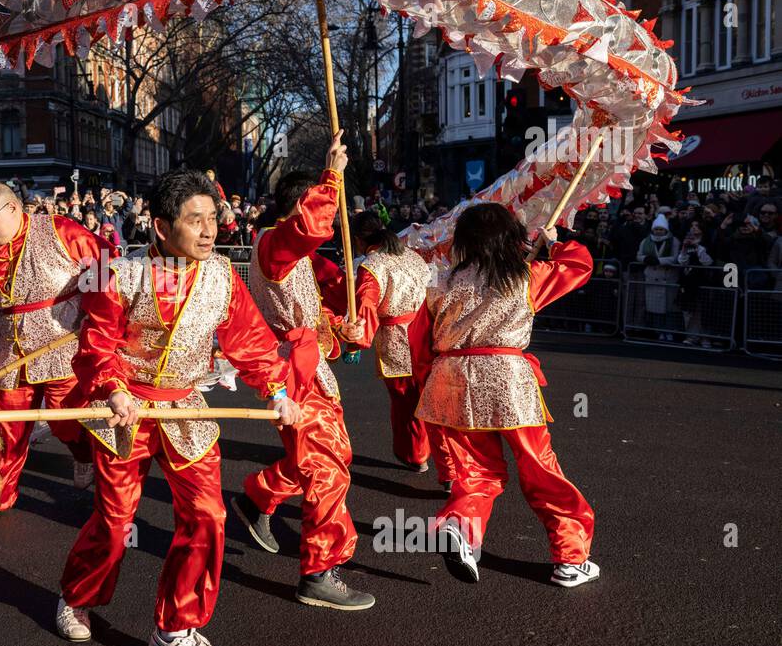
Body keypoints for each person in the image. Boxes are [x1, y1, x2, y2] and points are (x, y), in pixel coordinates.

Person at [55, 169, 301, 646]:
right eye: (196, 221)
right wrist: (115, 389)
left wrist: (278, 391)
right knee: (116, 522)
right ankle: (76, 596)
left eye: (213, 219)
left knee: (208, 517)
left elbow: (251, 342)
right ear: (163, 228)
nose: (211, 231)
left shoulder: (221, 277)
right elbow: (96, 344)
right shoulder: (117, 274)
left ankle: (174, 631)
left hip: (187, 411)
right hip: (126, 415)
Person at [413, 204, 598, 588]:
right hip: (508, 381)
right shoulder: (526, 277)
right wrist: (553, 246)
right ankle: (570, 556)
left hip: (449, 379)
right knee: (540, 468)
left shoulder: (439, 282)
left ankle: (460, 527)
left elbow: (420, 344)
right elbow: (580, 265)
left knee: (473, 473)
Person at [228, 134, 374, 611]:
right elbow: (309, 229)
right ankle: (319, 569)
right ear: (298, 206)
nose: (327, 220)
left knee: (322, 456)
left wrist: (341, 327)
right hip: (294, 375)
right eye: (319, 205)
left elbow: (311, 317)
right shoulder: (274, 243)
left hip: (310, 372)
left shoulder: (296, 257)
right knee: (328, 466)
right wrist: (332, 174)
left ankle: (256, 498)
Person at [0, 183, 104, 515]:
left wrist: (98, 316)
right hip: (9, 354)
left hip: (62, 348)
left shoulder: (59, 230)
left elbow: (106, 265)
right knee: (7, 427)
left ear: (12, 208)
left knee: (65, 420)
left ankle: (85, 456)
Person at [339, 209, 446, 478]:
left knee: (405, 403)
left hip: (396, 338)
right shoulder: (413, 257)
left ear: (359, 240)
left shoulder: (372, 266)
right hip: (425, 332)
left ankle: (417, 454)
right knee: (434, 399)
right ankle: (450, 466)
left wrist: (356, 342)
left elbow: (366, 307)